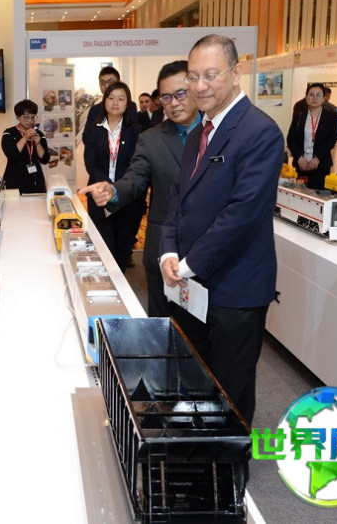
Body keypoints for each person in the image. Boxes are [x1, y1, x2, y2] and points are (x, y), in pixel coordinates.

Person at [160, 35, 284, 426]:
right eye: (193, 76)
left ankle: (230, 461)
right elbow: (178, 199)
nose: (199, 86)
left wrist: (188, 264)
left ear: (236, 73)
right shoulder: (200, 132)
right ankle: (201, 452)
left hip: (235, 289)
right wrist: (168, 252)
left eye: (210, 75)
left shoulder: (260, 132)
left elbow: (242, 215)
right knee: (196, 378)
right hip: (191, 285)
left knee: (230, 390)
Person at [80, 60, 201, 317]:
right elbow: (136, 177)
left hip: (207, 251)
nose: (174, 102)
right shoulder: (151, 137)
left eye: (181, 94)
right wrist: (113, 191)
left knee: (201, 330)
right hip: (162, 246)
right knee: (160, 322)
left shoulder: (219, 133)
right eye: (166, 97)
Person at [81, 81, 145, 271]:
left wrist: (117, 189)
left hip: (127, 198)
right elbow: (91, 163)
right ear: (104, 101)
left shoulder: (137, 131)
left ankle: (119, 282)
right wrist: (106, 187)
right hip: (99, 195)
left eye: (121, 99)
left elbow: (136, 165)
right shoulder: (93, 129)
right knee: (103, 244)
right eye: (111, 98)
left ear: (128, 103)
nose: (115, 102)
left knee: (122, 246)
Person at [286, 82, 337, 189]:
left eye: (318, 95)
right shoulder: (299, 116)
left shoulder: (331, 116)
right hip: (301, 164)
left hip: (321, 164)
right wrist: (299, 157)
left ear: (324, 98)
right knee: (299, 192)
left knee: (319, 195)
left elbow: (331, 139)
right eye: (311, 95)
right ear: (306, 98)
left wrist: (318, 157)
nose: (314, 98)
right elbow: (290, 138)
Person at [1, 99, 50, 194]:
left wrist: (38, 144)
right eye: (26, 117)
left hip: (36, 181)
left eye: (33, 117)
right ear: (18, 117)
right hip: (14, 182)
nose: (30, 121)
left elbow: (45, 159)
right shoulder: (9, 133)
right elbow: (12, 154)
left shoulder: (39, 134)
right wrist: (25, 137)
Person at [83, 66, 138, 136]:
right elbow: (87, 135)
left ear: (118, 82)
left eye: (110, 82)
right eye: (102, 82)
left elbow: (133, 133)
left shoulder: (130, 106)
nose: (106, 86)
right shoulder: (95, 110)